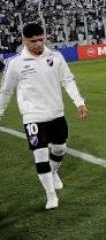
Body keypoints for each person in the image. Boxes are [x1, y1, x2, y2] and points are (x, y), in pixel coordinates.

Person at [0, 23, 87, 210]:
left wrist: (79, 101)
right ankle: (51, 195)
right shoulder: (15, 63)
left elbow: (68, 80)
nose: (39, 44)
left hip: (56, 113)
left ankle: (53, 172)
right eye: (33, 41)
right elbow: (6, 91)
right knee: (40, 154)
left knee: (60, 149)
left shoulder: (55, 57)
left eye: (41, 39)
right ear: (24, 40)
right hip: (32, 117)